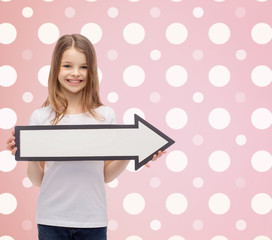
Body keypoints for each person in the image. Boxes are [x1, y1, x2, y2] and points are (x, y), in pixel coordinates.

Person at [6, 34, 165, 240]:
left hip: (93, 220)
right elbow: (37, 179)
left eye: (84, 67)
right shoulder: (41, 117)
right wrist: (27, 154)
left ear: (92, 71)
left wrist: (130, 150)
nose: (76, 73)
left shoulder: (105, 115)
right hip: (51, 219)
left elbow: (105, 175)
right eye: (67, 66)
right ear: (55, 69)